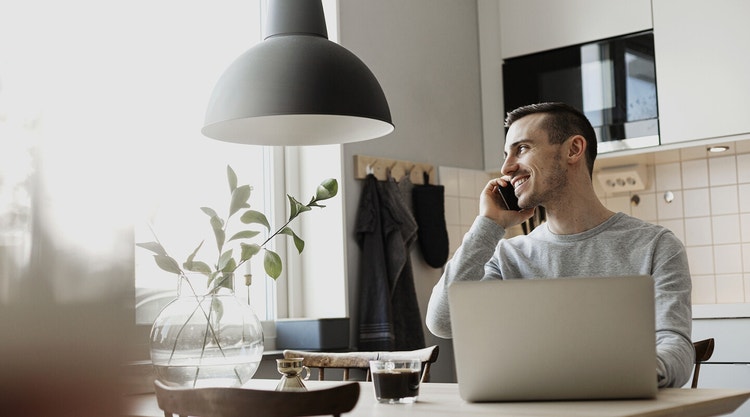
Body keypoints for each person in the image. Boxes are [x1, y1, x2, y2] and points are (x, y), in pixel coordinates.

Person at [425, 102, 694, 388]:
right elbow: (442, 322)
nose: (506, 167)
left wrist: (630, 375)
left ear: (573, 150)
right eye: (506, 154)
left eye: (522, 149)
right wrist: (488, 225)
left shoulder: (656, 245)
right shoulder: (508, 256)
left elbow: (674, 344)